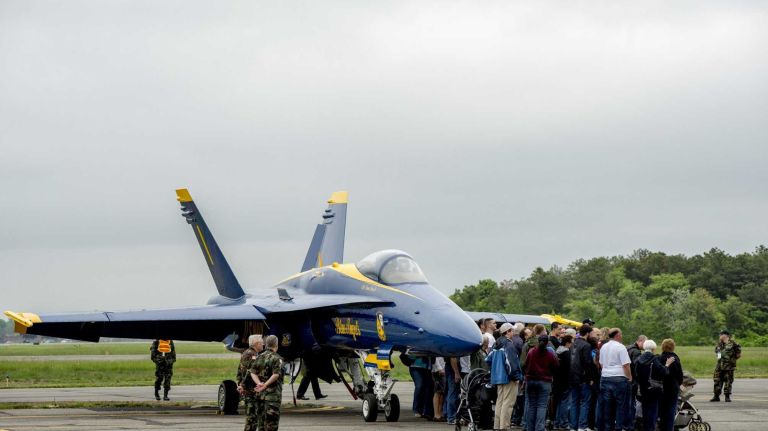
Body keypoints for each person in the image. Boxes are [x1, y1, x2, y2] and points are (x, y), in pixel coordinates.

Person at [487, 322, 523, 430]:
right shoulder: (508, 344)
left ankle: (497, 426)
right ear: (507, 332)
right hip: (509, 378)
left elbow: (488, 359)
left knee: (500, 401)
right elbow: (511, 363)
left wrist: (496, 371)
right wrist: (516, 377)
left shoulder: (496, 344)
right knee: (508, 403)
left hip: (497, 378)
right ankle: (504, 426)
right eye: (512, 330)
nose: (513, 332)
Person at [634, 340, 675, 431]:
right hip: (653, 390)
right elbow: (663, 372)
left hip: (642, 390)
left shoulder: (638, 359)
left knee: (644, 412)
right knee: (652, 413)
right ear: (653, 348)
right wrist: (667, 365)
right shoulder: (654, 359)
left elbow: (636, 374)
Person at [598, 328, 632, 431]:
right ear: (617, 335)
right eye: (621, 334)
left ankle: (608, 427)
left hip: (605, 377)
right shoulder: (621, 347)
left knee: (608, 406)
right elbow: (626, 365)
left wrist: (607, 371)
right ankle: (618, 428)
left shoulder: (604, 347)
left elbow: (601, 363)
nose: (621, 336)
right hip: (619, 378)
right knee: (620, 406)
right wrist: (629, 377)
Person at [249, 334, 284, 431]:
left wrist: (259, 383)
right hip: (272, 397)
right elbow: (276, 375)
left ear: (266, 344)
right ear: (276, 345)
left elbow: (252, 372)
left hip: (260, 396)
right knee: (271, 425)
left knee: (261, 424)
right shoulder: (277, 358)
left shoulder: (260, 356)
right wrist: (265, 385)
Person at [525, 335, 559, 431]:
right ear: (547, 342)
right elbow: (556, 367)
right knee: (542, 406)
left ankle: (530, 428)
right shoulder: (550, 354)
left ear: (537, 341)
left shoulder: (531, 352)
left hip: (531, 380)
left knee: (532, 405)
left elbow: (525, 364)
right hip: (545, 381)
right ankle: (539, 428)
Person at [570, 325, 597, 431]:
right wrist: (590, 378)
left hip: (573, 377)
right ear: (587, 333)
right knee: (585, 402)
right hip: (583, 378)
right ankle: (582, 426)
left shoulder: (574, 344)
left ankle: (573, 426)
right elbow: (588, 363)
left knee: (574, 402)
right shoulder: (586, 346)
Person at [238, 335, 263, 431]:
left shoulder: (246, 353)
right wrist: (242, 385)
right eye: (261, 342)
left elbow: (239, 371)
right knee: (252, 418)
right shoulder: (252, 355)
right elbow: (249, 372)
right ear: (256, 344)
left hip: (249, 388)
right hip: (250, 389)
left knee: (252, 418)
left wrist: (239, 383)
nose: (263, 344)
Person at [658, 339, 682, 431]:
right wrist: (678, 384)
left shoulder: (660, 358)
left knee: (662, 411)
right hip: (672, 388)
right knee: (671, 410)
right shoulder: (675, 358)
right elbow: (679, 374)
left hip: (662, 388)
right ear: (673, 347)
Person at [402, 353, 434, 418]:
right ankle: (417, 410)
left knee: (428, 388)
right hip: (415, 366)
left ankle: (426, 411)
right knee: (419, 385)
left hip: (428, 367)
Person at [626, 335, 647, 431]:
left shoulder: (628, 348)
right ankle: (630, 426)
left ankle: (625, 424)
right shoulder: (636, 352)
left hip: (625, 379)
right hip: (632, 380)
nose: (645, 345)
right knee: (631, 404)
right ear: (640, 341)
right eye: (645, 343)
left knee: (626, 403)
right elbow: (637, 366)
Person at [711, 330, 739, 402]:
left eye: (721, 335)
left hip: (729, 367)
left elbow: (738, 355)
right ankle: (716, 396)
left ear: (726, 336)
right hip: (719, 366)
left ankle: (727, 396)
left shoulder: (733, 344)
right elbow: (717, 354)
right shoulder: (719, 344)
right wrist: (720, 358)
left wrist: (731, 361)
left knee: (728, 381)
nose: (719, 336)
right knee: (717, 381)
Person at [553, 334, 574, 430]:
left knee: (558, 402)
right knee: (565, 403)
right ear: (567, 343)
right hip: (565, 381)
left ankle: (556, 422)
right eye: (571, 342)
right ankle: (564, 423)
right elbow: (569, 368)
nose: (572, 344)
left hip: (557, 381)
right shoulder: (567, 353)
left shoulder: (557, 352)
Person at [432, 357, 446, 421]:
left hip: (443, 369)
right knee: (437, 392)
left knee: (442, 393)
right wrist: (439, 368)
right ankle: (436, 414)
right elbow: (435, 358)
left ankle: (439, 413)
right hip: (437, 370)